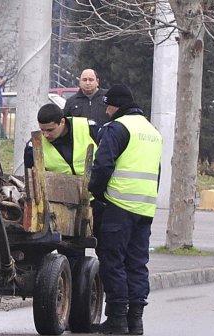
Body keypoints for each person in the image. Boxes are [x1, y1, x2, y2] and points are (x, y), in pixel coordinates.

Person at [88, 84, 162, 335]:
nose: (106, 111)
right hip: (145, 208)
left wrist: (97, 194)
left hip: (118, 207)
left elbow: (102, 166)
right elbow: (157, 171)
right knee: (137, 263)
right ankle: (135, 321)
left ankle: (117, 319)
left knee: (113, 261)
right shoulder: (153, 131)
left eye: (108, 106)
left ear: (116, 106)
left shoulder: (117, 128)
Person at [24, 103, 103, 273]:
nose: (46, 134)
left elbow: (107, 157)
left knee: (107, 249)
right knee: (70, 252)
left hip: (95, 199)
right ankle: (70, 288)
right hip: (60, 206)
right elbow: (32, 179)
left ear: (62, 122)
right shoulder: (34, 145)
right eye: (42, 130)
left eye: (50, 130)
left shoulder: (89, 129)